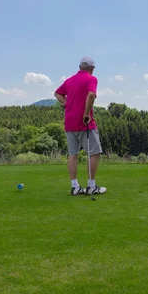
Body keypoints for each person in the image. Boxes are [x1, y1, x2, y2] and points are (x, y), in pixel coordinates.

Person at [54, 57, 107, 196]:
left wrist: (67, 104)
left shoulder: (70, 80)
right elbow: (91, 95)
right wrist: (85, 113)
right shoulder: (92, 79)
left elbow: (57, 93)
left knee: (73, 155)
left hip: (69, 122)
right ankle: (91, 186)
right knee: (94, 153)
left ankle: (75, 187)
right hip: (84, 123)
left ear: (80, 67)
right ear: (92, 68)